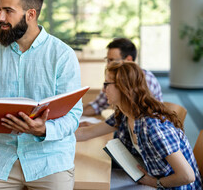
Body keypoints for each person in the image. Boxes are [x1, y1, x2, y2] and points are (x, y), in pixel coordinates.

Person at [0, 0, 82, 190]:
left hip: (50, 161)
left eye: (8, 11)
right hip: (2, 160)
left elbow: (73, 115)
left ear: (31, 14)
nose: (0, 17)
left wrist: (44, 129)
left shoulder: (62, 55)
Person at [75, 61, 202, 189]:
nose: (103, 89)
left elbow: (187, 176)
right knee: (100, 175)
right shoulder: (125, 113)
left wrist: (155, 183)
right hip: (151, 174)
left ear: (124, 87)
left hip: (170, 186)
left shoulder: (152, 127)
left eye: (107, 84)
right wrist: (56, 135)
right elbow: (86, 133)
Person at [82, 37, 163, 116]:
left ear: (128, 60)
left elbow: (139, 115)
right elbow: (98, 105)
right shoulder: (114, 79)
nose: (108, 64)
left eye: (112, 60)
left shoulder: (146, 79)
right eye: (107, 60)